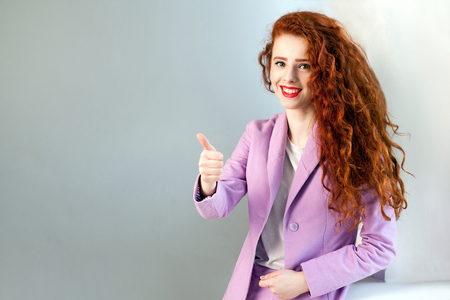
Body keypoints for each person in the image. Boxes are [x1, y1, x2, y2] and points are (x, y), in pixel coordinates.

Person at [193, 11, 408, 300]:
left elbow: (379, 248)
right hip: (248, 289)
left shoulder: (359, 150)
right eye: (280, 63)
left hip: (311, 293)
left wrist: (305, 280)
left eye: (304, 65)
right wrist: (209, 183)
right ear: (269, 67)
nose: (289, 77)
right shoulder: (256, 135)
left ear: (327, 72)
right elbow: (217, 207)